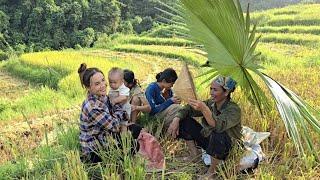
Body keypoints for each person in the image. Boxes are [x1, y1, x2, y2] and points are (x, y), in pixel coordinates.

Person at [167, 75, 242, 177]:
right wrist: (176, 119)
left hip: (226, 146)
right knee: (185, 120)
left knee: (217, 132)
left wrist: (204, 109)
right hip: (211, 141)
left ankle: (211, 172)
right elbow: (188, 109)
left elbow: (217, 126)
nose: (211, 93)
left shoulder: (233, 110)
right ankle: (195, 154)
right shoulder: (211, 103)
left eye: (215, 90)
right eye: (211, 89)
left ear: (226, 92)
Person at [78, 63, 141, 163]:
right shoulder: (93, 107)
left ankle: (124, 152)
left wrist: (119, 113)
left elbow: (115, 109)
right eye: (97, 84)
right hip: (94, 148)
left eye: (103, 80)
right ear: (88, 88)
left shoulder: (102, 96)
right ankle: (115, 163)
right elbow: (115, 126)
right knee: (134, 146)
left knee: (136, 129)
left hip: (104, 134)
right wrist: (122, 113)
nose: (103, 85)